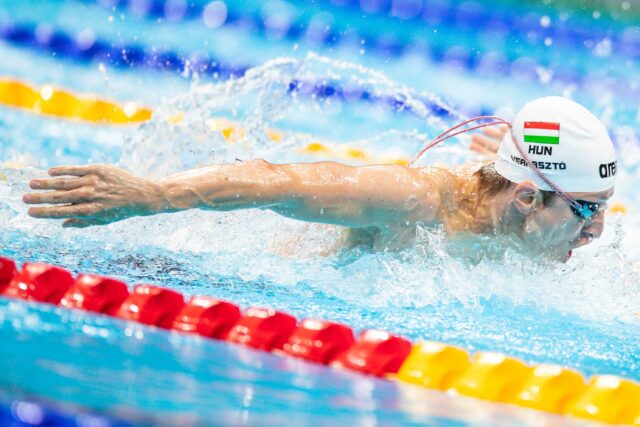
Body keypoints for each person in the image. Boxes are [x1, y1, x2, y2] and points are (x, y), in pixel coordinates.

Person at [22, 96, 617, 262]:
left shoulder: (529, 240)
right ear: (525, 197)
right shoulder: (417, 203)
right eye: (586, 213)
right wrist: (152, 195)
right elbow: (274, 178)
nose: (595, 235)